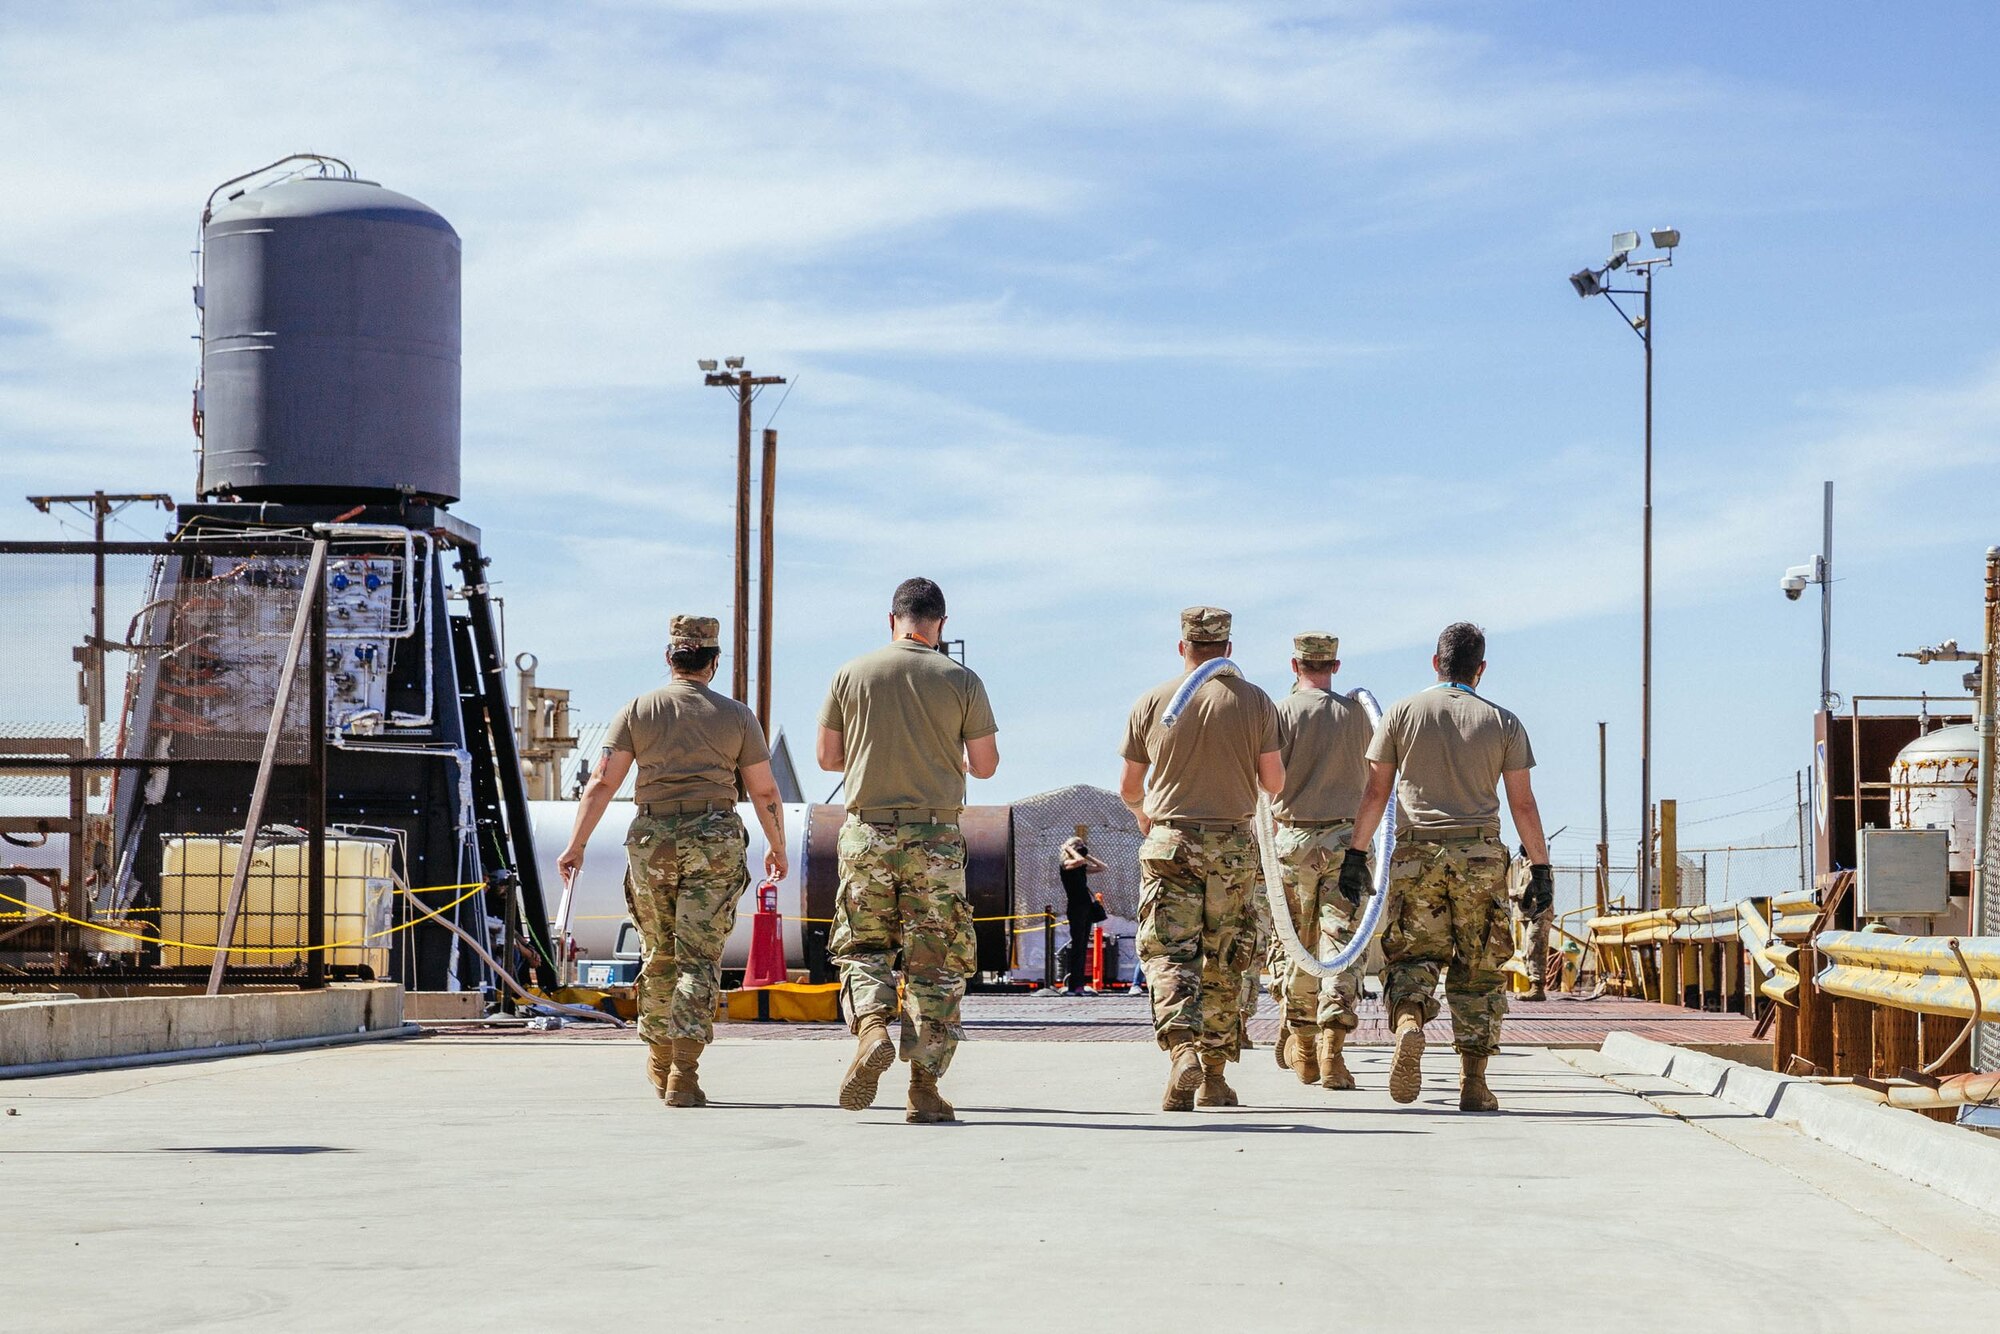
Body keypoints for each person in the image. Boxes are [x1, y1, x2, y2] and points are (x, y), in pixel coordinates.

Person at [556, 615, 787, 1108]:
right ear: (714, 661)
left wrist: (576, 844)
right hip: (714, 838)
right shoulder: (738, 717)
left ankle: (660, 1057)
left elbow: (602, 783)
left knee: (658, 954)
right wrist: (777, 844)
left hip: (652, 838)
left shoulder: (637, 711)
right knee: (698, 958)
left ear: (670, 658)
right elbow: (765, 789)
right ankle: (684, 1070)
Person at [1345, 622, 1553, 1112]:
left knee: (1412, 958)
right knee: (1478, 969)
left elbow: (1375, 793)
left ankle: (1411, 1024)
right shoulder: (1504, 722)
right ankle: (1474, 1084)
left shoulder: (1400, 714)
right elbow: (1522, 804)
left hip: (1416, 853)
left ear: (1435, 662)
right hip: (1479, 857)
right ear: (1480, 669)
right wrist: (1540, 867)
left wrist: (1355, 855)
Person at [817, 577, 1000, 1124]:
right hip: (935, 839)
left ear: (891, 619)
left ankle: (871, 1028)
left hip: (867, 832)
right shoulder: (960, 679)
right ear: (940, 625)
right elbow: (986, 765)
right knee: (935, 963)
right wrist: (951, 761)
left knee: (865, 946)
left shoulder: (852, 673)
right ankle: (923, 1088)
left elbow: (828, 758)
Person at [1119, 606, 1283, 1111]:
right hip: (1233, 847)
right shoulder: (1256, 701)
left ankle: (1182, 1050)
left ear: (1182, 647)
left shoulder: (1152, 701)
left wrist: (1150, 819)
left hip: (1171, 842)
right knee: (1225, 959)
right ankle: (1213, 1077)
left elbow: (1129, 788)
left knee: (1170, 954)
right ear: (1228, 650)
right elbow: (1274, 783)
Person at [1266, 632, 1373, 1092]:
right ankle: (1333, 1051)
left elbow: (1266, 784)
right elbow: (1376, 783)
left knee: (1298, 948)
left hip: (1292, 841)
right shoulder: (1359, 717)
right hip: (1346, 842)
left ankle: (1304, 1047)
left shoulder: (1279, 713)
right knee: (1342, 947)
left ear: (1295, 665)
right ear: (1336, 665)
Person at [1058, 834, 1108, 995]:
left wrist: (1088, 855)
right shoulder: (1066, 864)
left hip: (1086, 907)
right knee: (1078, 946)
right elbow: (1078, 861)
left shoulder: (1081, 866)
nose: (1080, 846)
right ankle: (1074, 985)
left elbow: (1102, 867)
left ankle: (1079, 984)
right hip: (1076, 907)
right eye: (1077, 845)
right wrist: (1069, 849)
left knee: (1083, 944)